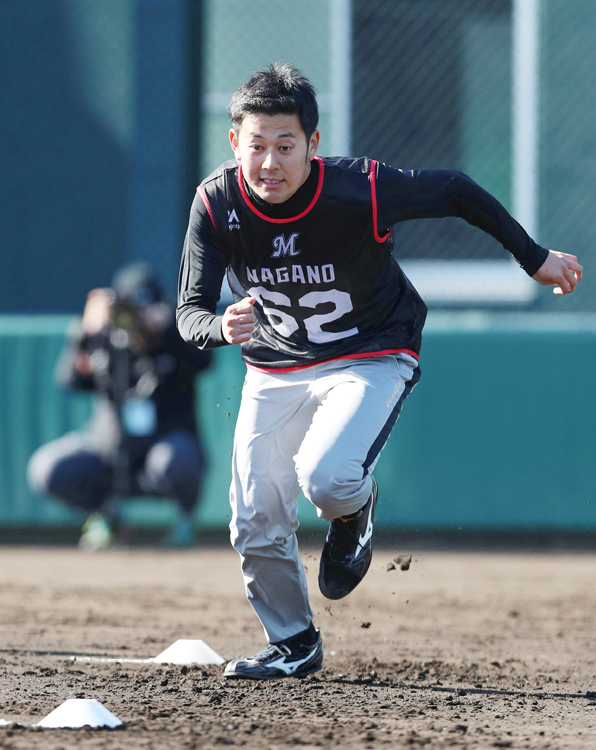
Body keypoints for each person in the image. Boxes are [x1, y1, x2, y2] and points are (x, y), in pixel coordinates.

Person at [177, 63, 582, 680]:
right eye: (256, 146)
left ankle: (355, 512)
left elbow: (454, 189)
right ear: (234, 143)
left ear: (314, 144)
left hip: (370, 349)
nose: (269, 163)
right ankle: (293, 643)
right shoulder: (215, 203)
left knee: (327, 477)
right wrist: (219, 327)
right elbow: (189, 312)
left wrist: (532, 258)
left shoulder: (357, 189)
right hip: (276, 365)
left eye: (286, 146)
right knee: (255, 515)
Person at [29, 262, 212, 549]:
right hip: (110, 450)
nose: (133, 317)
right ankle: (106, 518)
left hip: (160, 452)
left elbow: (205, 360)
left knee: (179, 458)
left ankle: (184, 522)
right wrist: (84, 333)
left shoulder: (173, 334)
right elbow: (70, 380)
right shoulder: (102, 338)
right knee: (47, 469)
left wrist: (165, 329)